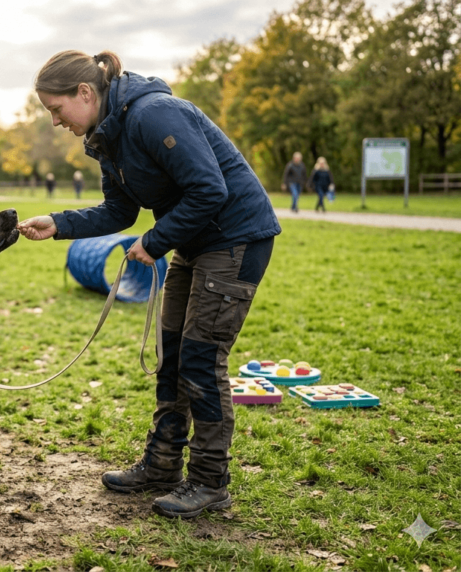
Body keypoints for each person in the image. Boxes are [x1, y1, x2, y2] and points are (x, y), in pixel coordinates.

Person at [17, 50, 281, 519]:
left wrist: (156, 241)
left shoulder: (154, 113)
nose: (56, 122)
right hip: (194, 243)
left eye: (56, 110)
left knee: (201, 360)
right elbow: (118, 212)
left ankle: (209, 481)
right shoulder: (106, 138)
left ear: (84, 93)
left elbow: (210, 189)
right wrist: (58, 223)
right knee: (171, 353)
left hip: (237, 238)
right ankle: (162, 465)